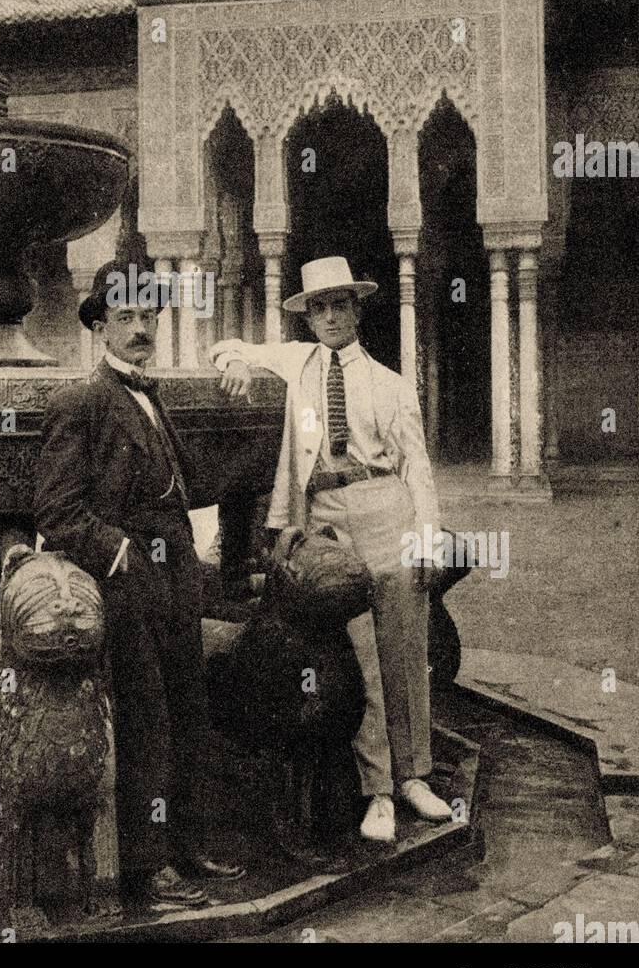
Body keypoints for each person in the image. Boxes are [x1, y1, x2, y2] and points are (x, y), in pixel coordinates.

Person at [211, 255, 453, 843]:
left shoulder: (390, 384)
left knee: (404, 640)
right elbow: (222, 345)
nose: (329, 317)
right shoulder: (296, 363)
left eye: (339, 304)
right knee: (360, 645)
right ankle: (377, 791)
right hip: (323, 517)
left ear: (356, 309)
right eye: (318, 307)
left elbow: (417, 466)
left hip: (383, 504)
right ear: (308, 316)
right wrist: (238, 360)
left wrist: (426, 534)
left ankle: (416, 775)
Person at [33, 260, 245, 910]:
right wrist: (119, 552)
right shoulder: (81, 402)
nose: (139, 327)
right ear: (99, 327)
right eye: (125, 316)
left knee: (188, 713)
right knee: (145, 723)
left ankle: (186, 847)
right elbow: (56, 511)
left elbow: (189, 485)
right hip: (126, 589)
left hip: (176, 579)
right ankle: (144, 873)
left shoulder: (152, 397)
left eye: (148, 316)